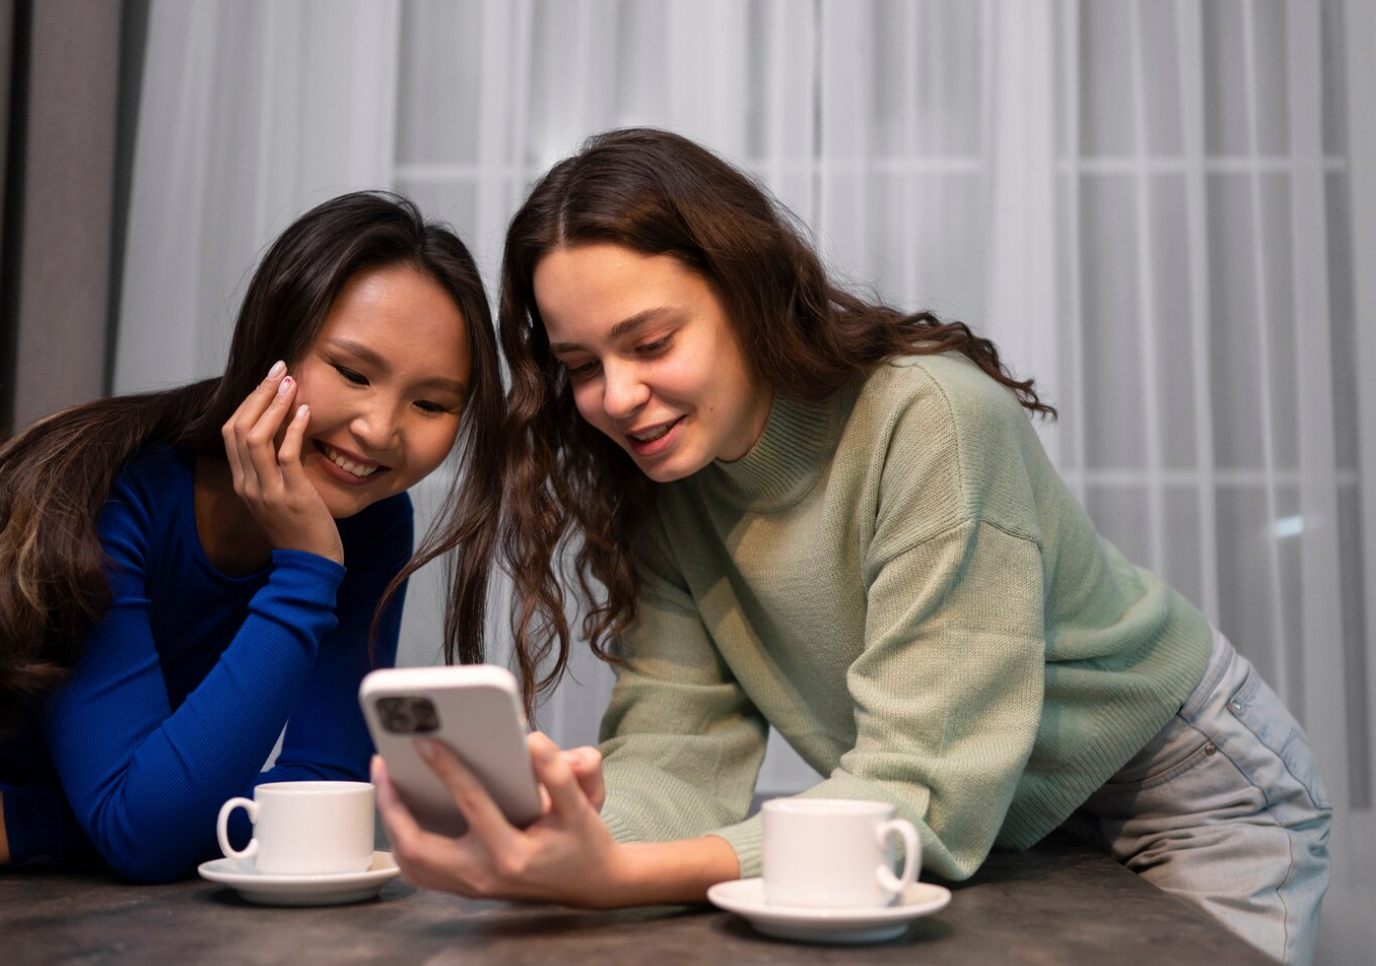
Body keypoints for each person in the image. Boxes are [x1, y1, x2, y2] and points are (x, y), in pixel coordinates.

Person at [373, 129, 1331, 965]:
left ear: (749, 296)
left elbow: (924, 788)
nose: (616, 398)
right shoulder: (670, 488)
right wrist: (569, 841)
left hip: (1182, 789)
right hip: (992, 825)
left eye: (653, 343)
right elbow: (675, 756)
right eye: (582, 366)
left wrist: (620, 877)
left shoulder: (933, 420)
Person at [0, 191, 503, 883]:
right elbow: (143, 837)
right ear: (273, 345)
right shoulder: (107, 494)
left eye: (431, 404)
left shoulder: (370, 521)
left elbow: (324, 795)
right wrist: (305, 577)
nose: (382, 429)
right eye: (353, 373)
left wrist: (41, 823)